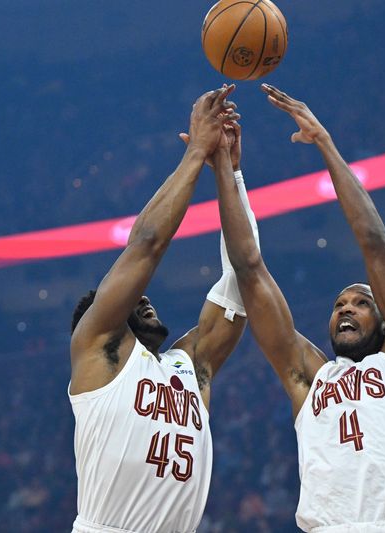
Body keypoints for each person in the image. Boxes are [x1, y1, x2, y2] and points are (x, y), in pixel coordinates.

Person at [212, 84, 385, 533]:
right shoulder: (310, 378)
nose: (346, 309)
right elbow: (249, 269)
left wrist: (325, 144)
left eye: (361, 302)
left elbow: (374, 243)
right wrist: (228, 169)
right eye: (339, 304)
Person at [68, 85, 256, 533]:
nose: (143, 297)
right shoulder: (98, 349)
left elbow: (244, 278)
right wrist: (195, 153)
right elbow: (147, 244)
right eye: (129, 300)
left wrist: (229, 172)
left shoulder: (190, 365)